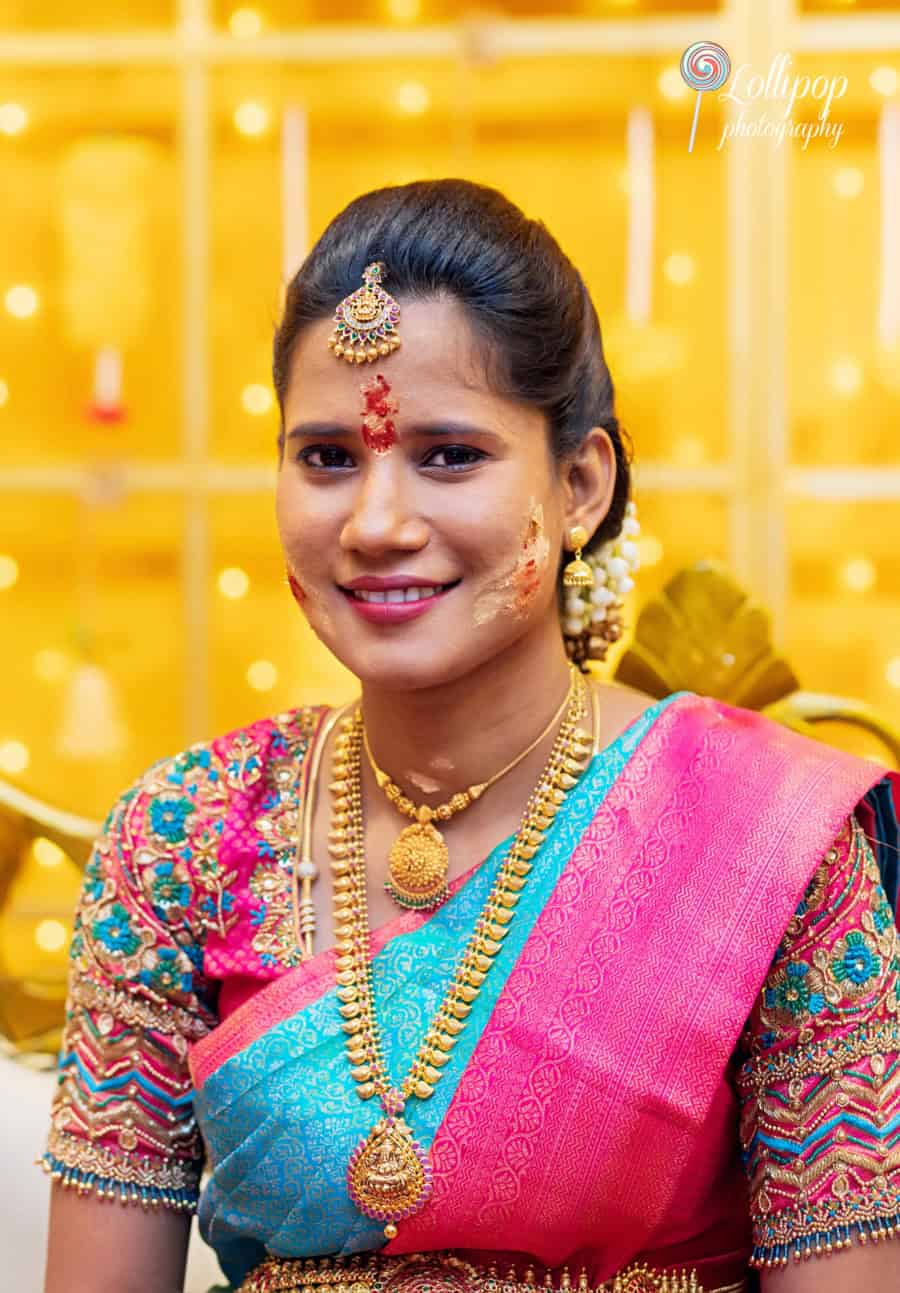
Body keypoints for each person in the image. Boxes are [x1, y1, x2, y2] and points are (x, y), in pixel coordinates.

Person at [41, 179, 900, 1293]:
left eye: (449, 455)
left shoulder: (771, 849)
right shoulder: (182, 836)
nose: (377, 524)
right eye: (326, 458)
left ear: (581, 484)